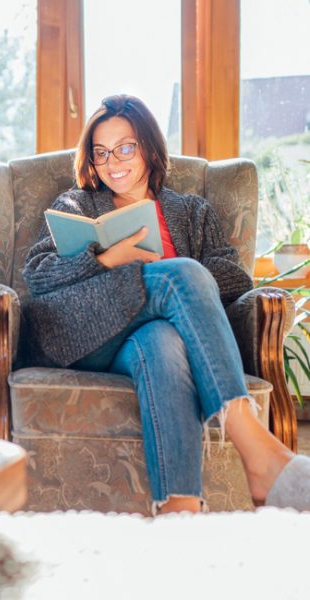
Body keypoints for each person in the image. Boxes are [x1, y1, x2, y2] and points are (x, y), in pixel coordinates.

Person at [22, 94, 310, 514]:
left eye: (125, 147)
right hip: (88, 335)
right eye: (101, 153)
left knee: (163, 341)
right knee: (183, 276)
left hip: (147, 340)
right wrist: (110, 258)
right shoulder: (78, 204)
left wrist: (165, 277)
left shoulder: (191, 212)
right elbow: (38, 272)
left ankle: (179, 509)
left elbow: (235, 277)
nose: (112, 162)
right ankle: (258, 451)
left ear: (149, 149)